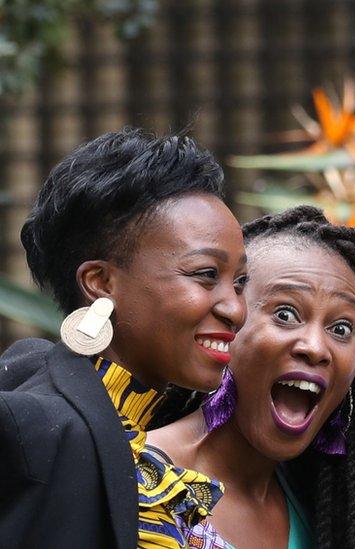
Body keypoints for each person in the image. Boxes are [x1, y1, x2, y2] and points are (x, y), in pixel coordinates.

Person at [148, 205, 355, 548]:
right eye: (285, 314)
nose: (315, 347)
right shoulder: (135, 478)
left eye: (341, 328)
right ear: (229, 321)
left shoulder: (322, 510)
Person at [0, 128, 248, 548]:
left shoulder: (181, 431)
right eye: (206, 274)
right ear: (100, 282)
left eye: (240, 282)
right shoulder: (37, 433)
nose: (236, 309)